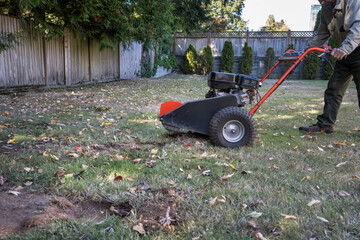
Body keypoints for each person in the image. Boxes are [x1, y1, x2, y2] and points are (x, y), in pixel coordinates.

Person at [299, 0, 360, 133]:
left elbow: (358, 28)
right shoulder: (326, 8)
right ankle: (325, 124)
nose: (320, 1)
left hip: (353, 47)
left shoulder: (353, 1)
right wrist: (307, 50)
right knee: (334, 88)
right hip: (344, 52)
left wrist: (345, 48)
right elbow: (322, 33)